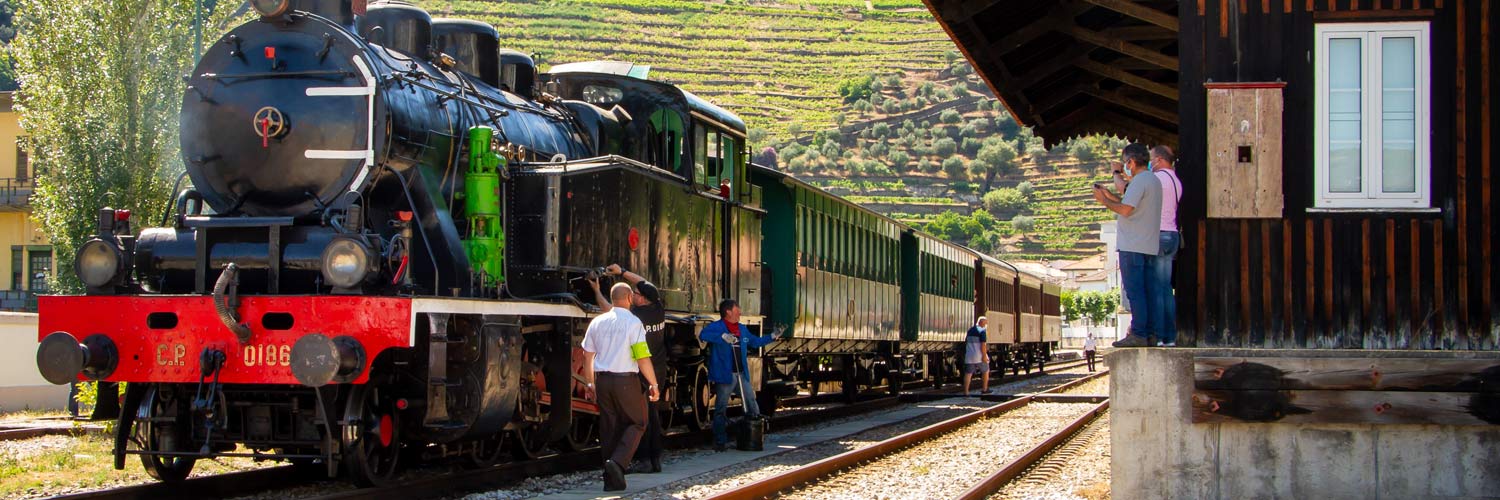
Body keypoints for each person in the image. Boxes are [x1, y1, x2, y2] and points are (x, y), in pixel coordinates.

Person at [581, 283, 660, 491]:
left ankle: (611, 478)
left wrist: (590, 382)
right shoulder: (634, 323)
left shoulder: (597, 322)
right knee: (639, 421)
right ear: (630, 297)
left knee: (609, 425)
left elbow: (587, 355)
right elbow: (642, 357)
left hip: (603, 381)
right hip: (626, 380)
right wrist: (653, 383)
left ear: (612, 298)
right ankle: (617, 463)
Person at [1092, 143, 1162, 348]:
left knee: (1135, 292)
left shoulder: (1139, 181)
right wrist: (1108, 196)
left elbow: (1125, 210)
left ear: (1131, 162)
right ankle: (1149, 333)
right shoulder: (1153, 180)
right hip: (1149, 244)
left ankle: (1138, 333)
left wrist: (1103, 202)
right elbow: (1129, 204)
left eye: (1126, 163)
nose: (1125, 167)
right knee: (1148, 290)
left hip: (1133, 244)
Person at [699, 299, 779, 451]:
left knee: (752, 404)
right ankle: (720, 441)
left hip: (741, 374)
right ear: (728, 312)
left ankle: (753, 436)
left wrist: (772, 336)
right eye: (737, 310)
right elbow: (704, 334)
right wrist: (722, 337)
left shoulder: (742, 329)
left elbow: (755, 342)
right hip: (726, 375)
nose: (740, 312)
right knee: (720, 408)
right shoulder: (717, 327)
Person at [1151, 145, 1182, 347]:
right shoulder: (1176, 181)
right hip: (1172, 234)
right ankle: (1170, 336)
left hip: (1159, 235)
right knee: (1166, 290)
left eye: (1151, 158)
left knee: (1157, 288)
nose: (1150, 162)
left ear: (1160, 159)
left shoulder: (1158, 179)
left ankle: (1161, 335)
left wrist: (1117, 173)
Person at [962, 317, 992, 396]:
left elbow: (966, 342)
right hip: (979, 356)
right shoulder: (982, 331)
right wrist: (984, 356)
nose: (986, 325)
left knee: (968, 373)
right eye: (986, 323)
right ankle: (984, 389)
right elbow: (983, 345)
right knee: (985, 371)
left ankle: (966, 392)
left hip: (969, 355)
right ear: (982, 323)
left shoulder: (970, 330)